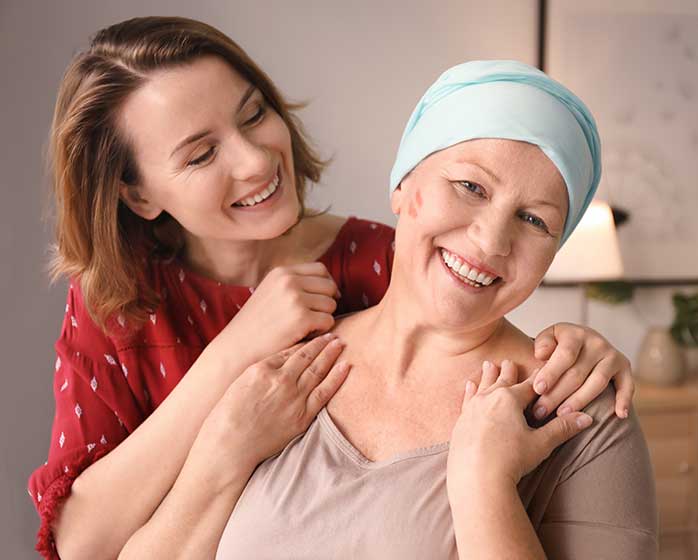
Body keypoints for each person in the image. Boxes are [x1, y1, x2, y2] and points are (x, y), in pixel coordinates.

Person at [29, 17, 636, 559]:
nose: (256, 160)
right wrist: (233, 355)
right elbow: (81, 545)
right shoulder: (118, 301)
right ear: (138, 194)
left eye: (253, 114)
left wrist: (575, 347)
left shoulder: (379, 261)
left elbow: (472, 302)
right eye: (201, 155)